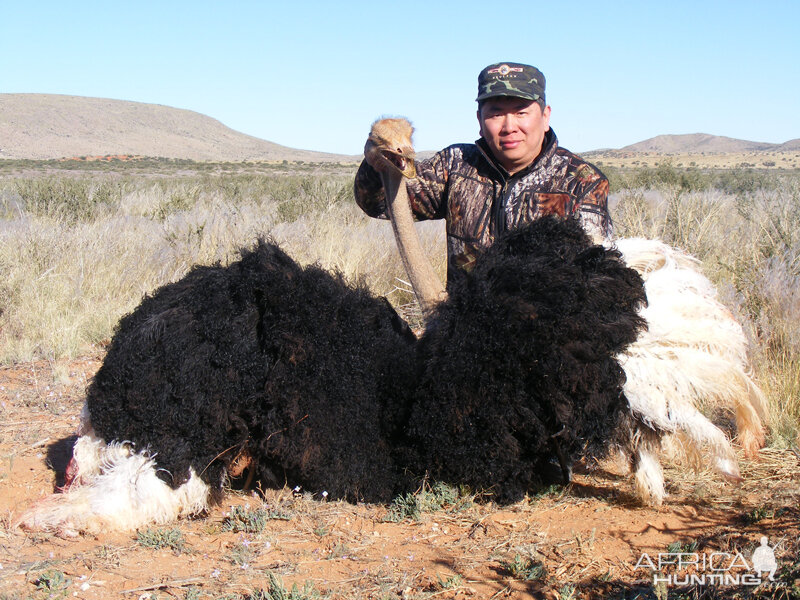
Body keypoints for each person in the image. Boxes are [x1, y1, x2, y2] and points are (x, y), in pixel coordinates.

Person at [354, 62, 612, 285]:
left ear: (545, 117)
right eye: (496, 113)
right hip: (463, 330)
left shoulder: (581, 182)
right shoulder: (456, 164)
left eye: (522, 112)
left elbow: (594, 273)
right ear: (479, 120)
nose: (509, 127)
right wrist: (378, 161)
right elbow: (377, 202)